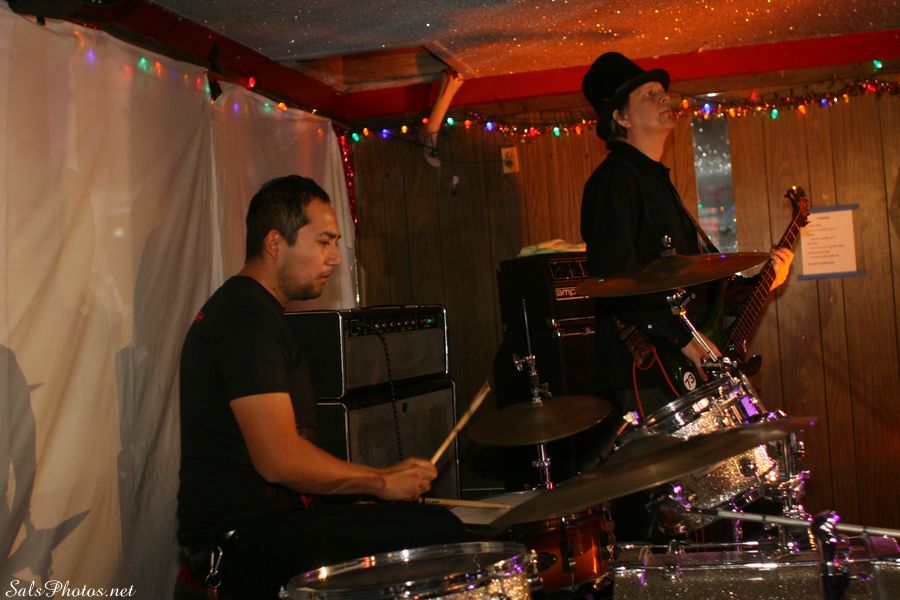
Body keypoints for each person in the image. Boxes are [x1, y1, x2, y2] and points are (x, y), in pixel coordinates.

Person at [177, 175, 465, 599]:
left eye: (335, 244)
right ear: (275, 243)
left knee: (425, 524)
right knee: (437, 531)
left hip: (273, 529)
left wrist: (377, 484)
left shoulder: (257, 313)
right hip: (243, 544)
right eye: (324, 242)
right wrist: (379, 482)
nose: (334, 259)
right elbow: (279, 460)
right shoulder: (244, 320)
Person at [579, 52, 794, 418]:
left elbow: (700, 292)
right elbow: (616, 282)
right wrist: (686, 341)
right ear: (621, 117)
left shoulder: (654, 180)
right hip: (646, 370)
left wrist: (765, 282)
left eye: (662, 91)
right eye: (649, 94)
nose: (665, 97)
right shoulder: (614, 180)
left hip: (672, 362)